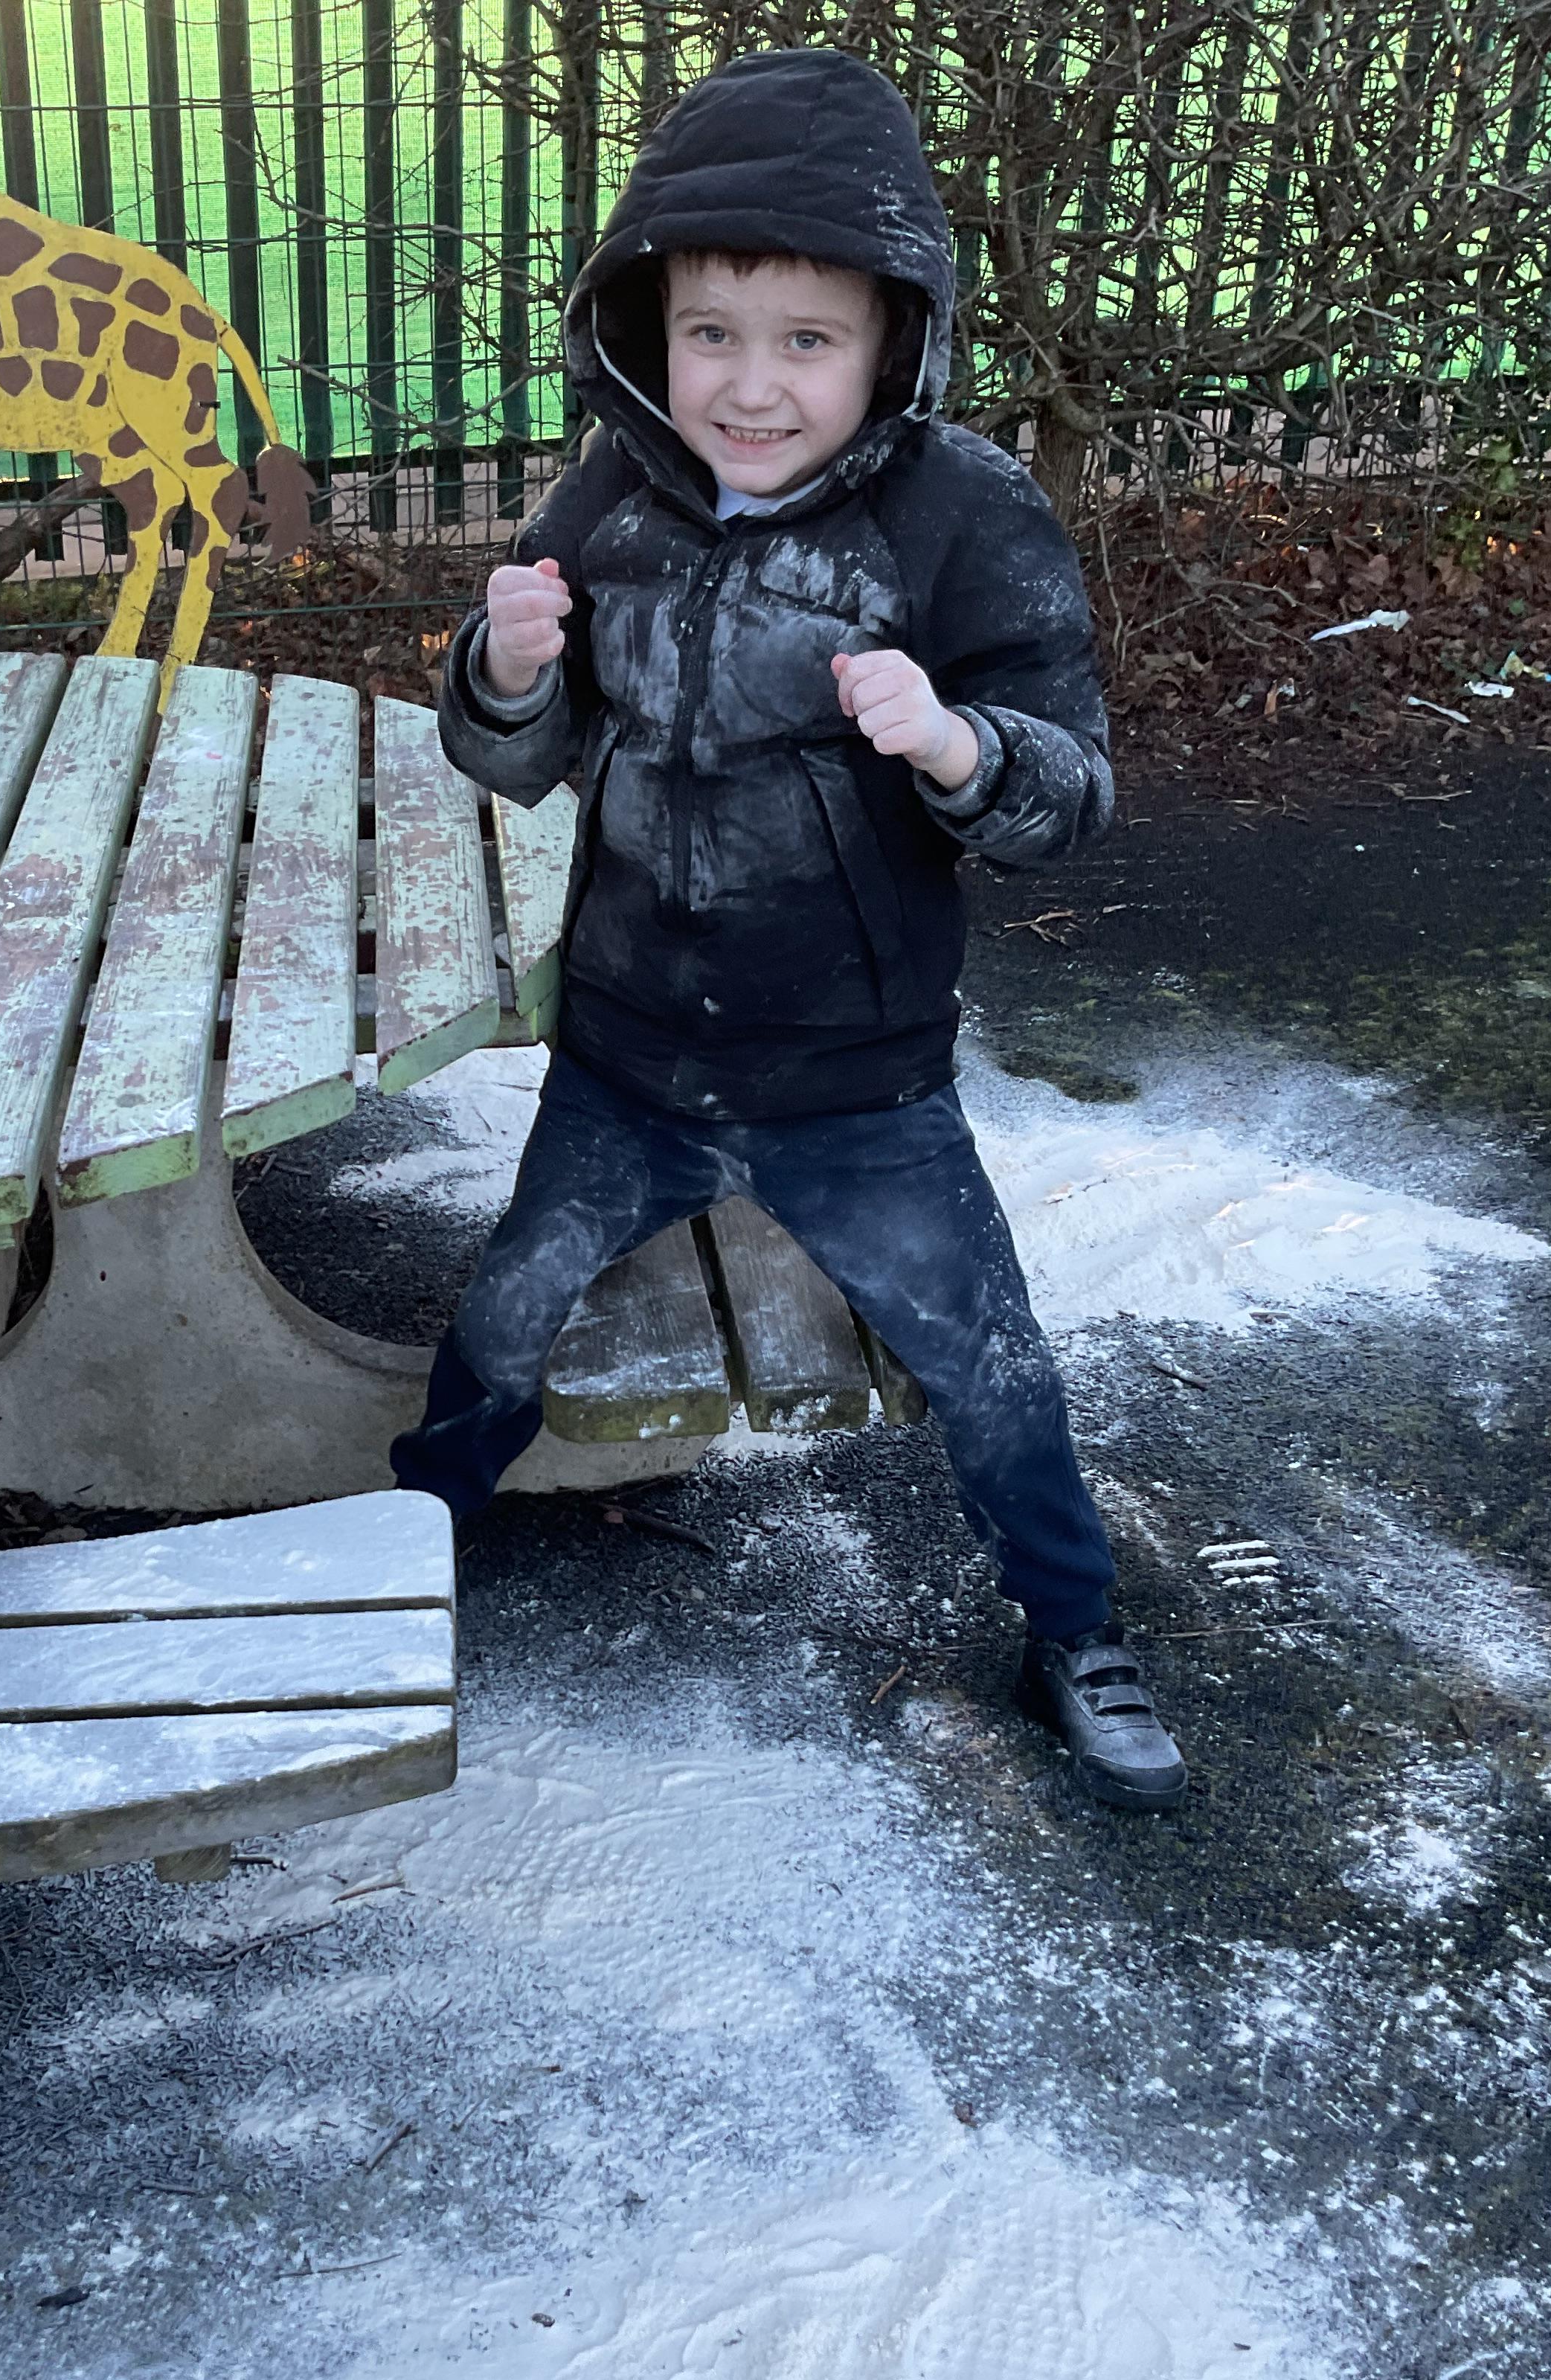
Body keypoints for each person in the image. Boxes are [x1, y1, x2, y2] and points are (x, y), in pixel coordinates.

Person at [390, 45, 1186, 1812]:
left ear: (894, 338)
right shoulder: (617, 486)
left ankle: (1075, 1625)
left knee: (987, 1360)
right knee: (503, 1313)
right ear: (647, 328)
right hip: (627, 1058)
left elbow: (1071, 796)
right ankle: (409, 1547)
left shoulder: (962, 513)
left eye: (806, 340)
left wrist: (958, 746)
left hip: (856, 1081)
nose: (749, 388)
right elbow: (514, 756)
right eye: (710, 334)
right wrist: (504, 668)